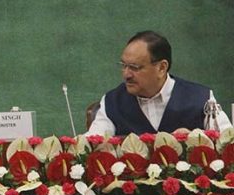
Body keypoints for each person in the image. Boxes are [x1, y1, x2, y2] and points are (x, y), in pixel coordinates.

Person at [87, 30, 231, 136]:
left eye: (135, 68)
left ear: (162, 67)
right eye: (124, 65)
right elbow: (93, 141)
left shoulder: (201, 98)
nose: (126, 74)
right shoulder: (112, 102)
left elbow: (227, 142)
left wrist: (198, 138)